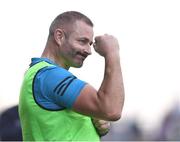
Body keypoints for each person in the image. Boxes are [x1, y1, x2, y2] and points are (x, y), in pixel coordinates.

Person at [19, 11, 125, 141]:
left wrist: (96, 122)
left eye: (90, 44)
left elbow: (103, 112)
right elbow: (111, 109)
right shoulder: (49, 75)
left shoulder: (44, 75)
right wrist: (112, 53)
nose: (88, 51)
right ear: (59, 36)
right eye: (82, 41)